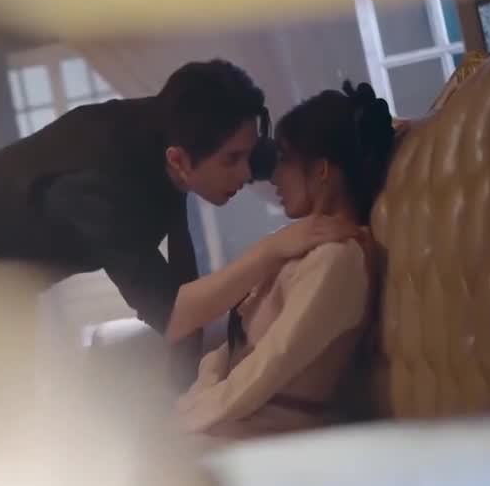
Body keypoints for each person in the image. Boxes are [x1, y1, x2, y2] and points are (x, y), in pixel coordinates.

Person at [0, 59, 269, 412]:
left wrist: (186, 385)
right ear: (178, 159)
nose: (246, 174)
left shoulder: (174, 127)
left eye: (249, 155)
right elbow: (172, 315)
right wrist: (273, 249)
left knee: (15, 398)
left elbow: (180, 290)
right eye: (232, 160)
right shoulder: (103, 183)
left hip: (7, 260)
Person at [170, 81, 396, 444]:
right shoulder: (301, 247)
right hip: (237, 423)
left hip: (268, 437)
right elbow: (234, 352)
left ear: (322, 171)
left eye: (285, 159)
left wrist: (193, 419)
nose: (274, 176)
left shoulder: (339, 259)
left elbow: (271, 362)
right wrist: (193, 403)